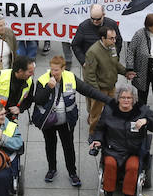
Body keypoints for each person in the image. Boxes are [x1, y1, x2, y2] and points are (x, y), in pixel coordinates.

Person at [32, 54, 106, 187]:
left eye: (56, 70)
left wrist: (106, 99)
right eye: (52, 69)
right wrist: (49, 87)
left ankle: (72, 173)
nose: (53, 73)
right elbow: (38, 100)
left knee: (69, 147)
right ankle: (52, 169)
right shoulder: (43, 80)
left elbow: (87, 90)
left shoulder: (70, 77)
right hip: (48, 121)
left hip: (66, 121)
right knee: (50, 145)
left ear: (63, 68)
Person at [89, 84, 153, 196]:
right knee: (109, 164)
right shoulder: (109, 110)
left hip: (133, 150)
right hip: (113, 148)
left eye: (129, 97)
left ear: (133, 99)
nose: (126, 100)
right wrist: (97, 141)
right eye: (123, 97)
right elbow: (100, 129)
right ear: (118, 98)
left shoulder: (142, 110)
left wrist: (147, 121)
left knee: (133, 167)